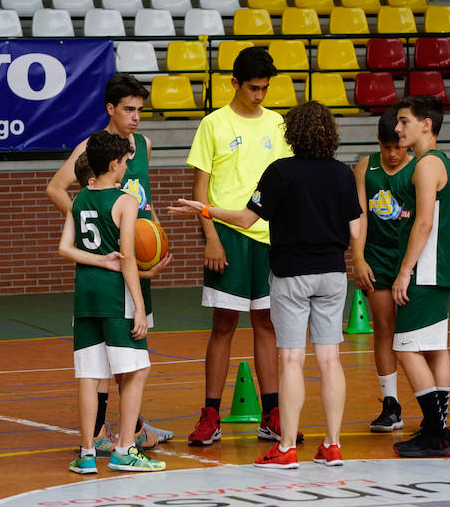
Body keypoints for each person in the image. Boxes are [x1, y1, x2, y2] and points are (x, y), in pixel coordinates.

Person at [171, 101, 361, 468]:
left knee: (291, 358)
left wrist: (205, 210)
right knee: (330, 359)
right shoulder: (342, 174)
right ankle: (333, 445)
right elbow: (355, 228)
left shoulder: (281, 171)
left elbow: (244, 219)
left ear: (291, 134)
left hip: (291, 274)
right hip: (334, 274)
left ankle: (287, 446)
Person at [46, 73, 172, 451]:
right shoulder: (92, 148)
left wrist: (157, 233)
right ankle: (105, 433)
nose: (135, 117)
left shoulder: (144, 145)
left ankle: (128, 427)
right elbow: (55, 187)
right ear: (110, 109)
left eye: (139, 110)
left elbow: (143, 196)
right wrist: (97, 227)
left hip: (136, 258)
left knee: (126, 348)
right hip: (113, 259)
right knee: (112, 351)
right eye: (128, 110)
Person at [185, 46, 297, 447]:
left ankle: (272, 414)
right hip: (228, 235)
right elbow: (200, 190)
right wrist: (211, 237)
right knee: (224, 325)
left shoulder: (279, 124)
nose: (260, 95)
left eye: (265, 88)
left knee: (267, 324)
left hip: (270, 238)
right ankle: (210, 415)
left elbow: (286, 183)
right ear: (233, 83)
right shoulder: (212, 124)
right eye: (253, 87)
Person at [352, 110, 450, 434]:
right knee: (384, 328)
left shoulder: (423, 166)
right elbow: (360, 216)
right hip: (379, 257)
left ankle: (436, 421)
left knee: (412, 344)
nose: (393, 154)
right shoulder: (366, 166)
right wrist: (358, 257)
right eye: (386, 147)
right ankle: (391, 405)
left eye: (398, 147)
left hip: (413, 259)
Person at [59, 131, 166, 475]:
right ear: (113, 164)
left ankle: (87, 453)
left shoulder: (78, 200)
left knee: (90, 376)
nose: (126, 168)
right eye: (123, 163)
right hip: (115, 296)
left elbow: (65, 248)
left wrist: (99, 260)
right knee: (138, 369)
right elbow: (130, 259)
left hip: (84, 296)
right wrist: (138, 306)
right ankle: (124, 448)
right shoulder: (125, 201)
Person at [387, 96, 450, 458]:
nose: (397, 128)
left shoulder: (425, 166)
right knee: (436, 350)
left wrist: (404, 272)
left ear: (425, 125)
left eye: (404, 121)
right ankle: (439, 428)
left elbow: (423, 222)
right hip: (438, 269)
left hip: (422, 271)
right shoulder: (439, 162)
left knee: (405, 350)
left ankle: (437, 431)